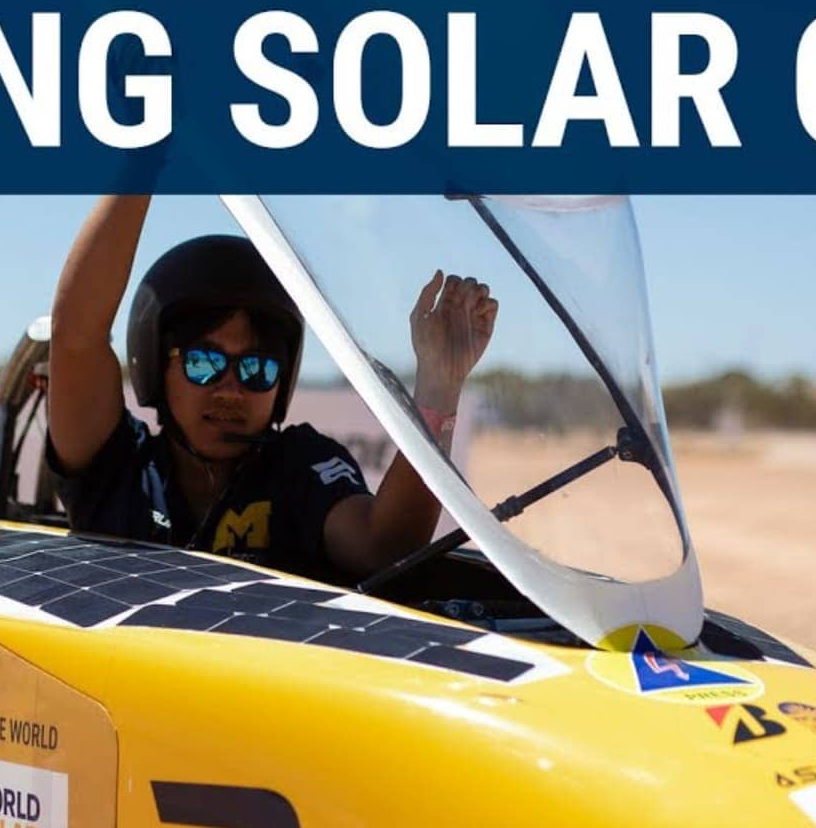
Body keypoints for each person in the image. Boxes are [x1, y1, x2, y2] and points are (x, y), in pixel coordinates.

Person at [45, 194, 497, 583]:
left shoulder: (301, 468)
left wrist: (440, 385)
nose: (230, 390)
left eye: (257, 370)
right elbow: (75, 338)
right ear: (155, 367)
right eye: (204, 363)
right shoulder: (116, 468)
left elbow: (384, 546)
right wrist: (142, 161)